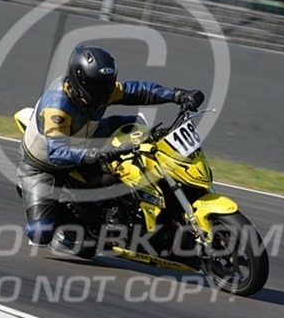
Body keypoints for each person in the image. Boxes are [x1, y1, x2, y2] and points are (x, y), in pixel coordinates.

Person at [17, 45, 204, 247]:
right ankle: (72, 226)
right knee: (40, 232)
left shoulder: (100, 90)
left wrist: (176, 95)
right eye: (98, 86)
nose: (105, 92)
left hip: (89, 136)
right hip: (45, 166)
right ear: (80, 81)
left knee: (141, 130)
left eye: (108, 84)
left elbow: (138, 90)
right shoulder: (57, 108)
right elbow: (57, 152)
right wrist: (96, 154)